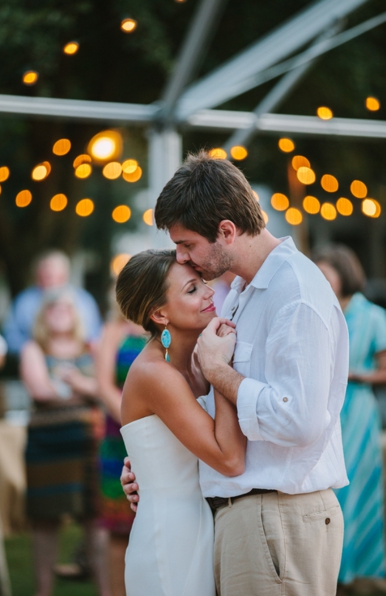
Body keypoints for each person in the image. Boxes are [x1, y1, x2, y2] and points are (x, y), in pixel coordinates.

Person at [122, 152, 348, 595]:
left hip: (277, 516)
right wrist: (159, 462)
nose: (184, 257)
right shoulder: (243, 293)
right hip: (245, 518)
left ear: (226, 230)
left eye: (187, 245)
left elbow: (298, 420)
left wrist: (219, 372)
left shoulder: (294, 294)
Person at [114, 250, 245, 595]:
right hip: (173, 537)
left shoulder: (200, 363)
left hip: (211, 523)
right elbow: (229, 458)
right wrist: (221, 370)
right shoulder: (155, 374)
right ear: (159, 313)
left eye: (202, 283)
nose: (209, 292)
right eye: (191, 290)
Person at [20, 289, 109, 596]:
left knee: (95, 518)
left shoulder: (92, 347)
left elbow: (106, 388)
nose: (60, 313)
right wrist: (87, 390)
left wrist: (77, 383)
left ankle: (105, 590)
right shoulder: (34, 348)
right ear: (44, 315)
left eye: (66, 308)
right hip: (46, 445)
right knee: (45, 520)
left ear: (76, 314)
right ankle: (43, 591)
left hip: (88, 443)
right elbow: (41, 391)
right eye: (53, 308)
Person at [315, 245, 386, 588]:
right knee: (328, 491)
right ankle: (330, 570)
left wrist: (354, 375)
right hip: (324, 410)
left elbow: (384, 371)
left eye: (326, 275)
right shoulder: (318, 311)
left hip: (357, 412)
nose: (321, 281)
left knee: (356, 487)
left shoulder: (372, 315)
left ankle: (356, 570)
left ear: (344, 275)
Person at [93, 314, 147, 596]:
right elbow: (103, 384)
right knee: (119, 528)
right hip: (119, 437)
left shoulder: (167, 326)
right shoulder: (115, 330)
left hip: (166, 433)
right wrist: (136, 423)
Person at [4, 250, 103, 354]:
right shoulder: (24, 301)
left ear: (65, 275)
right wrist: (30, 350)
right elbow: (10, 336)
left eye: (54, 275)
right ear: (37, 276)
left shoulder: (84, 300)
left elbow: (95, 335)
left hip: (78, 356)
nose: (50, 280)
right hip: (35, 357)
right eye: (46, 275)